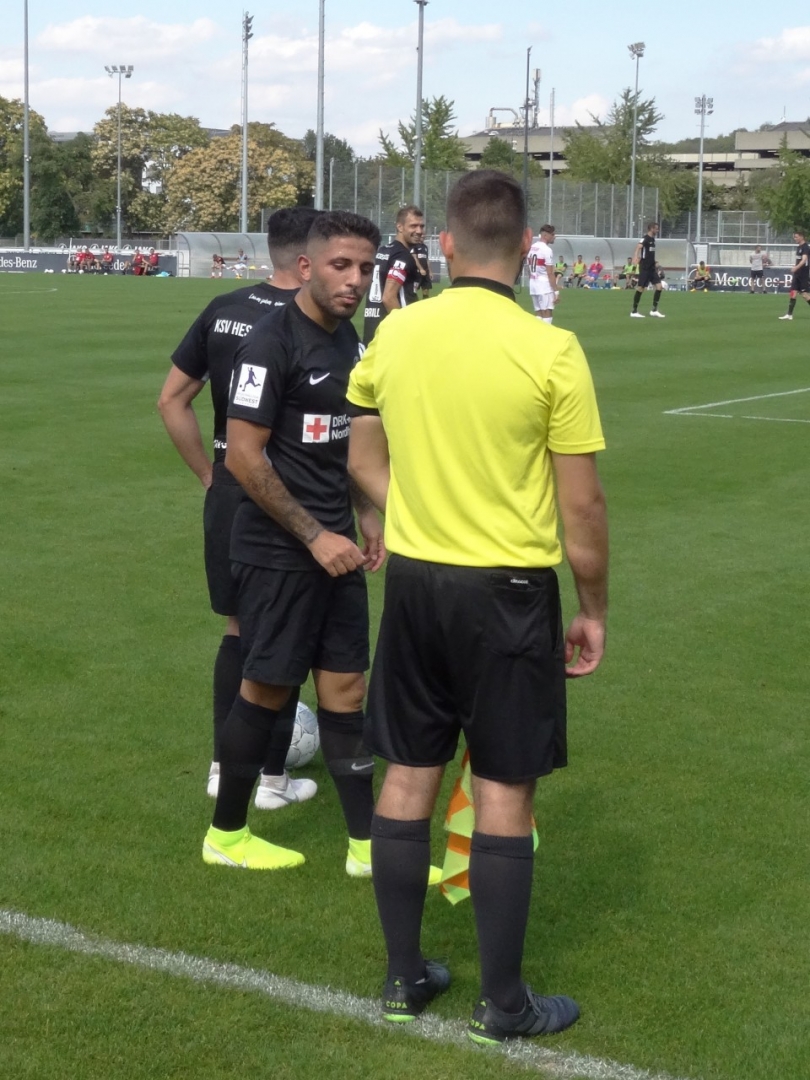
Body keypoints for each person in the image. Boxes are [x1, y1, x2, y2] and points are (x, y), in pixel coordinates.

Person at [347, 169, 608, 1043]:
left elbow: (362, 456)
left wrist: (415, 514)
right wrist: (594, 607)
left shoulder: (396, 331)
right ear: (528, 246)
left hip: (417, 583)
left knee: (408, 774)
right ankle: (503, 1004)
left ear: (446, 244)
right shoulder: (551, 349)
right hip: (509, 593)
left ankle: (403, 976)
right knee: (503, 788)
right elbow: (582, 508)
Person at [201, 210, 387, 874]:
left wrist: (365, 514)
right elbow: (244, 457)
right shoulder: (269, 344)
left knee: (346, 691)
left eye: (365, 268)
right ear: (305, 267)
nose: (355, 280)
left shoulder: (349, 343)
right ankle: (226, 836)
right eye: (341, 265)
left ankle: (365, 847)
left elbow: (344, 445)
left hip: (337, 546)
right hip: (280, 551)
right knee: (267, 689)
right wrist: (314, 536)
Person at [158, 207, 321, 810]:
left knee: (238, 627)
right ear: (308, 257)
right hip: (292, 494)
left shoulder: (223, 309)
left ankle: (222, 768)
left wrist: (211, 473)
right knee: (291, 628)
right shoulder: (312, 320)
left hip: (231, 485)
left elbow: (171, 400)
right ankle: (272, 782)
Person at [363, 205, 425, 344]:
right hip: (391, 335)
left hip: (373, 329)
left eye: (421, 226)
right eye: (413, 226)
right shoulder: (402, 256)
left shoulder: (383, 251)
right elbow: (389, 297)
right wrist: (405, 331)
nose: (419, 231)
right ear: (400, 227)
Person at [630, 223, 665, 318]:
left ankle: (654, 310)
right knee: (641, 288)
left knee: (659, 287)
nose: (657, 231)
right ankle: (634, 311)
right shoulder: (645, 238)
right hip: (645, 267)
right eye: (656, 229)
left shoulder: (653, 239)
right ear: (651, 229)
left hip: (652, 268)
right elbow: (638, 246)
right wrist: (635, 257)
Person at [527, 224, 559, 324]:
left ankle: (536, 333)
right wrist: (556, 291)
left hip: (533, 284)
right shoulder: (547, 250)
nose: (554, 237)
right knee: (547, 312)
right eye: (552, 234)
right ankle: (546, 333)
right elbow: (550, 273)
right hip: (544, 285)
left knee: (538, 313)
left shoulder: (531, 247)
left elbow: (528, 269)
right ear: (545, 235)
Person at [779, 230, 810, 319]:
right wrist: (796, 268)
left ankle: (789, 314)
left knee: (805, 295)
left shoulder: (805, 247)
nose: (794, 239)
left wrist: (796, 267)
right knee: (793, 292)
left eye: (796, 237)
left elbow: (804, 260)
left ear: (801, 237)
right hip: (797, 274)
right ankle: (789, 314)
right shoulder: (799, 247)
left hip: (803, 274)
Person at [410, 232, 432, 300]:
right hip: (417, 271)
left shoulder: (425, 247)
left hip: (426, 271)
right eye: (421, 235)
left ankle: (425, 304)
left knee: (426, 289)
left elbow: (427, 259)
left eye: (424, 236)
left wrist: (430, 271)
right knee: (414, 290)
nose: (423, 237)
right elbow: (415, 258)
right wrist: (420, 269)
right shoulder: (414, 246)